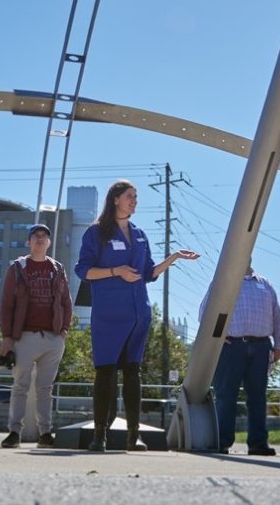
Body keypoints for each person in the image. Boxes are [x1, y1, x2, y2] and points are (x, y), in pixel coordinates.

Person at [75, 179, 199, 452]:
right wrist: (115, 271)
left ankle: (134, 436)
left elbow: (148, 273)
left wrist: (174, 257)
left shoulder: (140, 234)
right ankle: (100, 436)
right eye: (130, 196)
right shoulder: (97, 233)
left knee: (133, 372)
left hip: (138, 313)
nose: (134, 201)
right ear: (116, 199)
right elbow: (82, 270)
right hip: (109, 314)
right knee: (105, 372)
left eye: (136, 197)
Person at [0, 223, 73, 449]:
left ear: (49, 243)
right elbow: (7, 305)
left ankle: (45, 433)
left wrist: (64, 331)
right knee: (20, 386)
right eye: (36, 236)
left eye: (44, 236)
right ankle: (14, 432)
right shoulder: (18, 267)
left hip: (52, 338)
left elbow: (66, 303)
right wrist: (7, 336)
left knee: (45, 388)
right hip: (24, 337)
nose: (40, 239)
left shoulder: (58, 268)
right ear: (29, 242)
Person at [201, 263, 280, 456]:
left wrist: (278, 344)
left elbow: (277, 317)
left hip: (261, 347)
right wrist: (218, 336)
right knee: (226, 395)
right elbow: (205, 312)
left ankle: (258, 443)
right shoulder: (222, 282)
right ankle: (222, 441)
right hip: (231, 347)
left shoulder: (266, 285)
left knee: (258, 397)